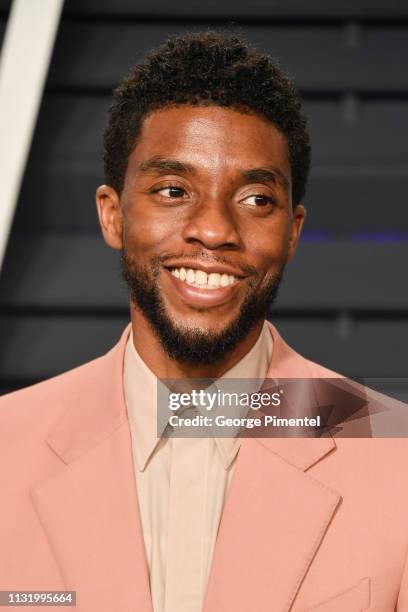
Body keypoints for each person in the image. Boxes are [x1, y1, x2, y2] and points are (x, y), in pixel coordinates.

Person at [1, 31, 408, 612]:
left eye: (255, 200)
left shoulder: (399, 454)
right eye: (173, 190)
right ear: (113, 216)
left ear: (293, 231)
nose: (214, 230)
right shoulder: (5, 447)